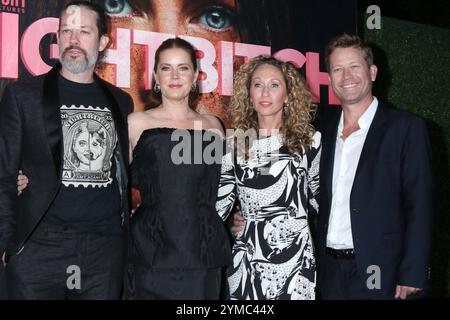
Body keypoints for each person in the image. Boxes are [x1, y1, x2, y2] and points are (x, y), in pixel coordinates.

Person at [0, 1, 133, 299]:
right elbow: (4, 174)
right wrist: (7, 244)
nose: (73, 40)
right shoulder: (23, 96)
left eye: (84, 32)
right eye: (66, 31)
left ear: (102, 42)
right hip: (39, 248)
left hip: (103, 250)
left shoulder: (121, 102)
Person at [314, 34, 433, 299]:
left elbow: (420, 203)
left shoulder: (405, 128)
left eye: (354, 66)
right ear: (330, 78)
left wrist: (412, 273)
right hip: (328, 270)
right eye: (337, 69)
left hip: (380, 269)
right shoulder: (321, 130)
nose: (347, 76)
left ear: (373, 72)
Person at [125, 37, 231, 299]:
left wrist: (239, 214)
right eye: (166, 68)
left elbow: (227, 183)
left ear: (195, 75)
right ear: (155, 76)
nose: (174, 75)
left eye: (183, 68)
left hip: (203, 253)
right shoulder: (136, 123)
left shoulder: (214, 126)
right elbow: (110, 182)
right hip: (150, 250)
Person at [216, 55, 321, 300]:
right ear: (249, 95)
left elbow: (321, 202)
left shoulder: (310, 142)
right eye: (258, 84)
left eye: (274, 84)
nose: (265, 92)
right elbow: (218, 207)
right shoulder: (233, 145)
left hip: (296, 261)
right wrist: (232, 224)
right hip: (248, 260)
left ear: (287, 95)